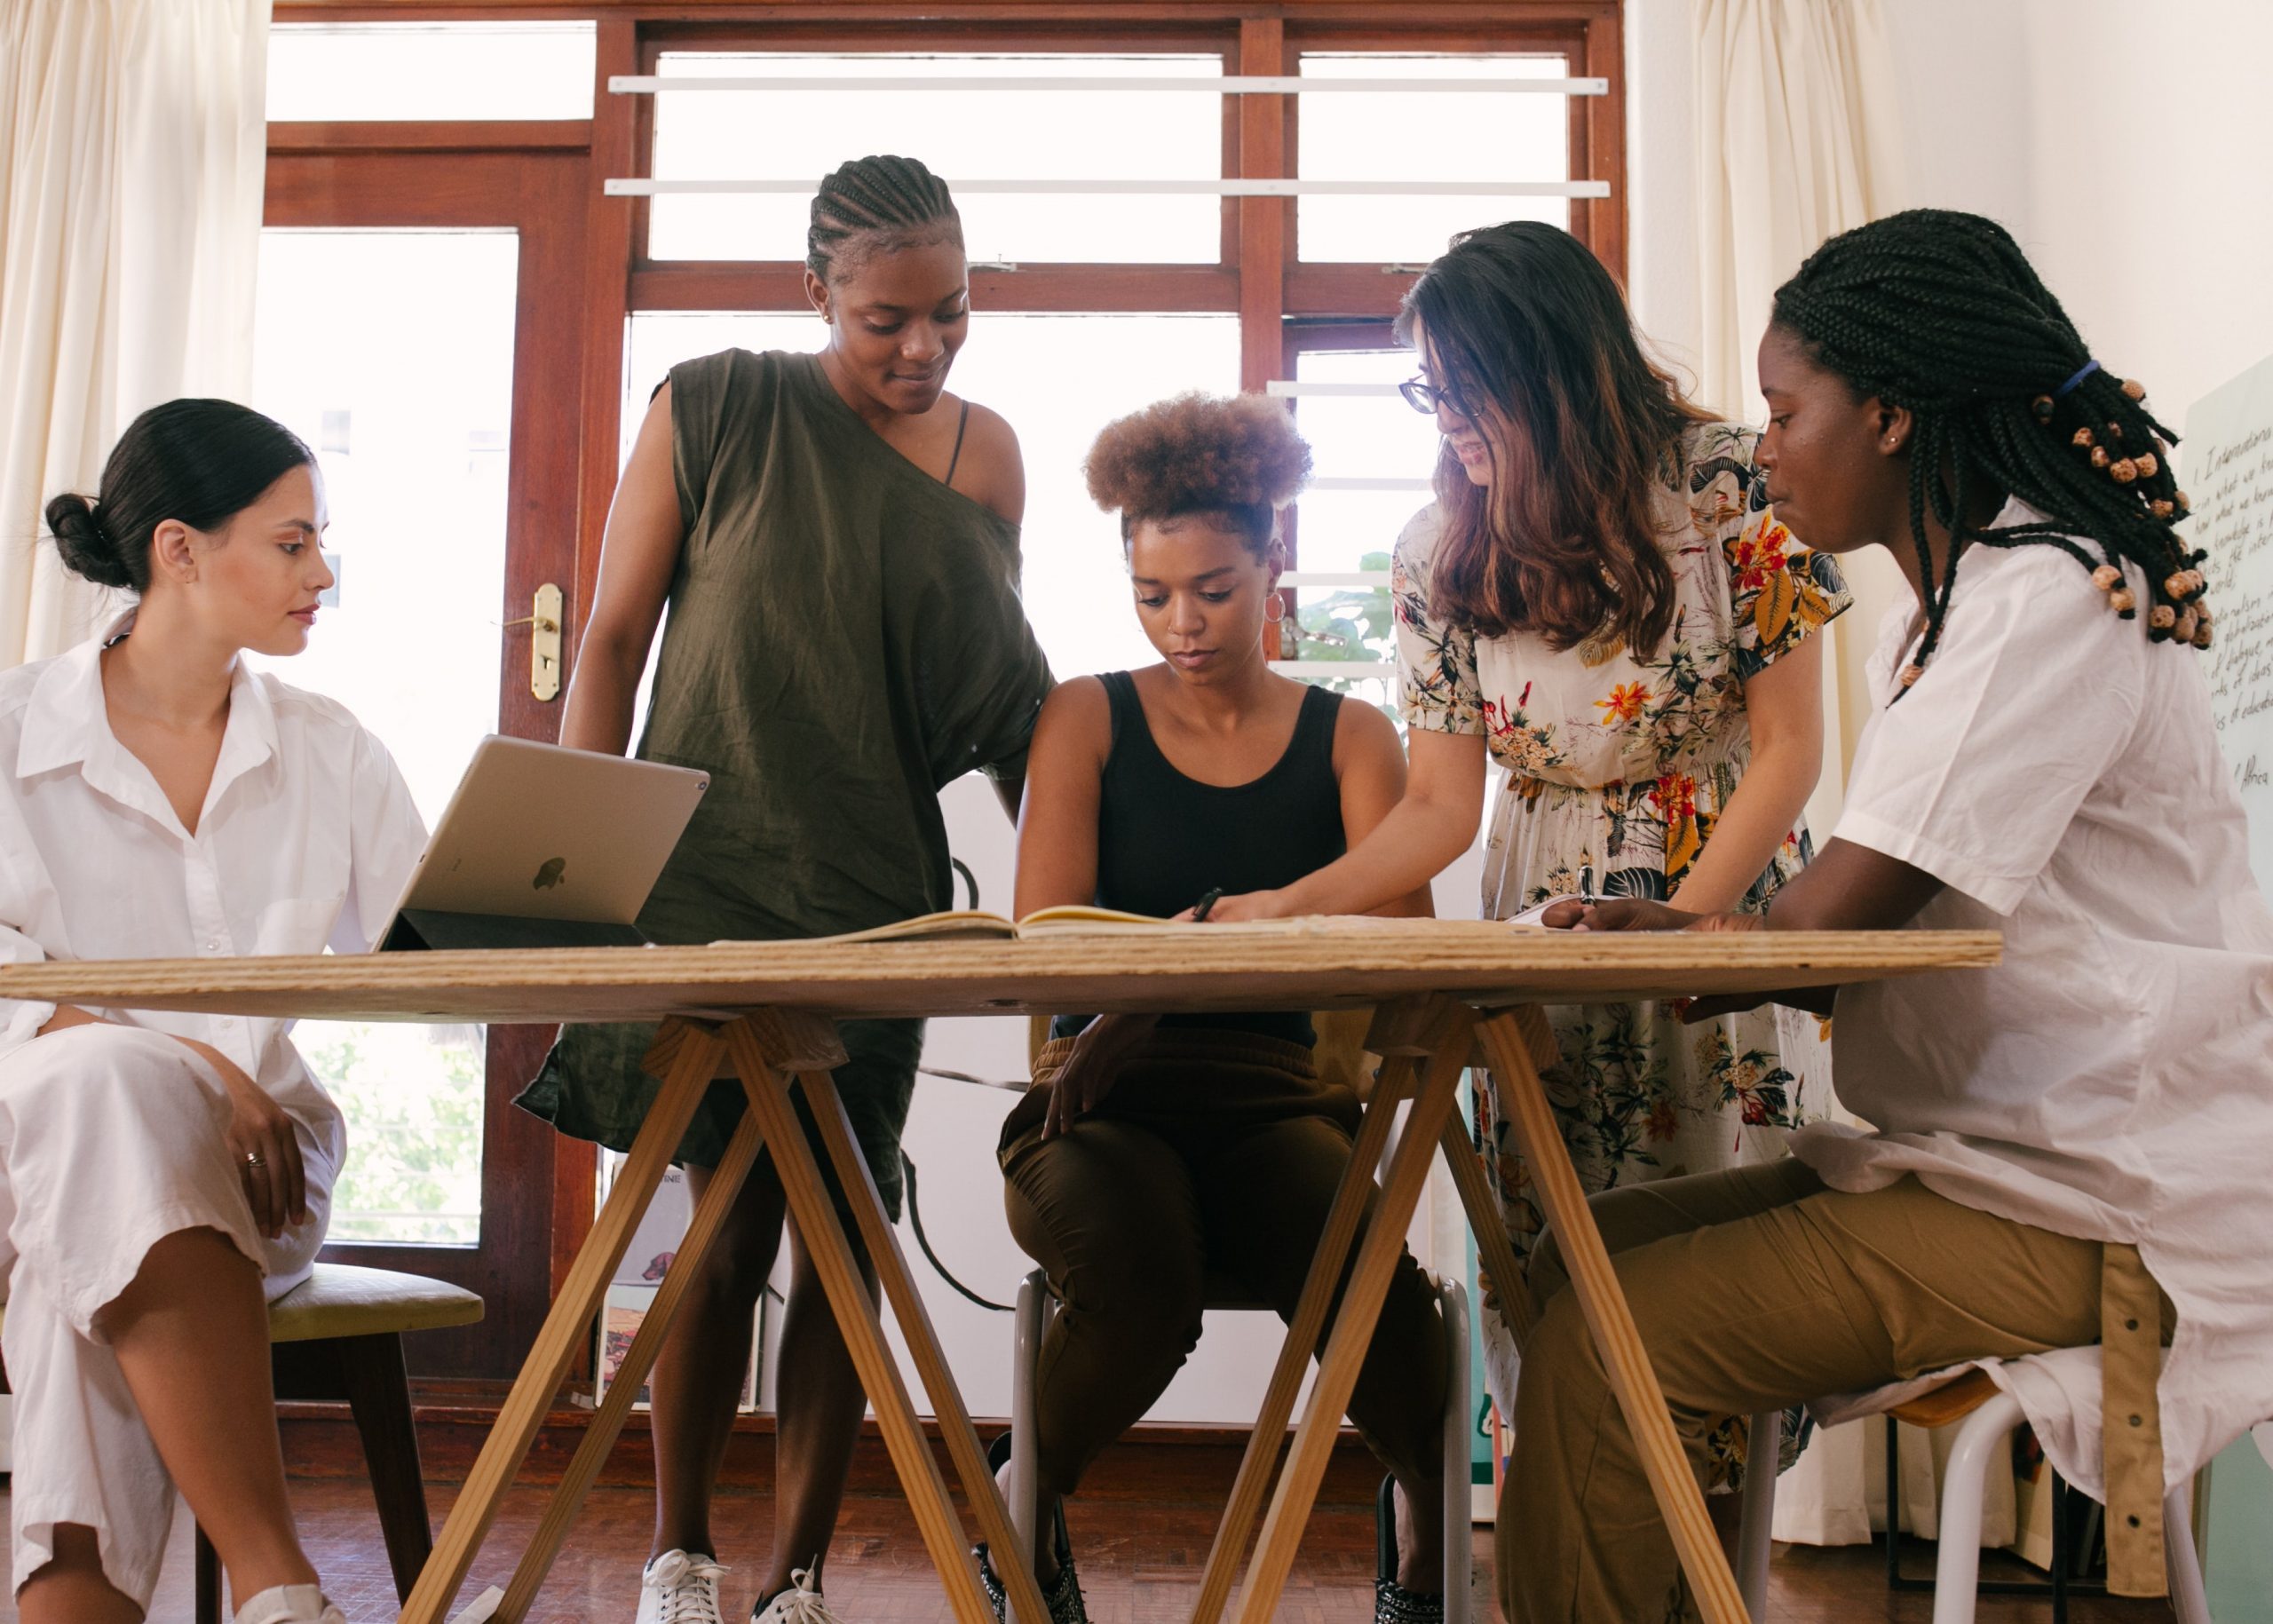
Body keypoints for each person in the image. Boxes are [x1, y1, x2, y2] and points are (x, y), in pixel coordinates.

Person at [1501, 208, 2273, 1622]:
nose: (1770, 445)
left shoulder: (2043, 595)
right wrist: (1717, 938)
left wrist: (1701, 942)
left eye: (1791, 411)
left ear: (1896, 413)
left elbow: (1845, 915)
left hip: (2105, 1199)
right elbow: (1863, 927)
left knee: (1612, 1338)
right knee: (1579, 1255)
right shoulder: (1984, 599)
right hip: (2005, 1158)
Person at [1200, 221, 1850, 1492]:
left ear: (1548, 364)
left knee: (1730, 1279)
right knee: (1551, 1258)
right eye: (1427, 391)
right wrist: (1289, 904)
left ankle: (1722, 1574)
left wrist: (1683, 931)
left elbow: (1786, 751)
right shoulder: (1438, 553)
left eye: (1461, 388)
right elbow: (1438, 807)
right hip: (1544, 918)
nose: (1443, 421)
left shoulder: (1731, 484)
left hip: (1713, 905)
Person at [514, 154, 1052, 1624]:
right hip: (707, 875)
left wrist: (1077, 904)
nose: (923, 346)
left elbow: (1008, 703)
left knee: (843, 1232)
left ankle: (798, 1576)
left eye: (949, 311)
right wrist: (573, 867)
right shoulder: (715, 402)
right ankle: (676, 1558)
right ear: (813, 292)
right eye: (886, 317)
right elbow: (614, 638)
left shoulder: (988, 456)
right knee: (726, 1217)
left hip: (877, 892)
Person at [993, 393, 1448, 1624]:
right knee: (1144, 1277)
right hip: (1097, 1107)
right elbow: (1049, 960)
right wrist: (1204, 951)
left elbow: (1398, 955)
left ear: (1274, 564)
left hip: (1275, 1106)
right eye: (1153, 594)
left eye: (1214, 589)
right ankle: (1013, 1508)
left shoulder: (1355, 737)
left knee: (1393, 1318)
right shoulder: (1085, 716)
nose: (1183, 625)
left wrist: (1183, 958)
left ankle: (1416, 1535)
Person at [0, 400, 426, 1624]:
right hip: (22, 1151)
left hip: (255, 1180)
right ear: (179, 550)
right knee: (101, 1097)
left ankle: (264, 1591)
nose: (323, 574)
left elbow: (430, 956)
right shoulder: (10, 735)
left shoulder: (331, 750)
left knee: (76, 1256)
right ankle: (278, 1581)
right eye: (292, 543)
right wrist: (194, 1064)